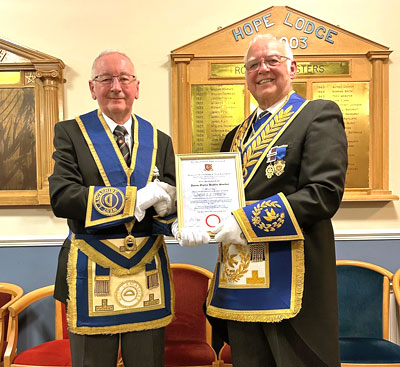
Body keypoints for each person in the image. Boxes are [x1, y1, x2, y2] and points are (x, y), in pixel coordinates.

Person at [49, 50, 202, 367]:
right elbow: (63, 197)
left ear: (136, 87)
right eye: (106, 79)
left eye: (124, 78)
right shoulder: (71, 134)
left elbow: (167, 201)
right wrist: (133, 200)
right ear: (93, 88)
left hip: (145, 272)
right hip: (91, 271)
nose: (116, 86)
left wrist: (176, 222)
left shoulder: (160, 140)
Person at [205, 34, 348, 367]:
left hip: (292, 281)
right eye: (253, 64)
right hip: (240, 282)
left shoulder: (317, 115)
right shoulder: (235, 136)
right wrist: (191, 212)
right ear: (246, 76)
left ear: (293, 68)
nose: (262, 70)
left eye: (272, 61)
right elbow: (220, 198)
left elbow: (323, 194)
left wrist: (244, 221)